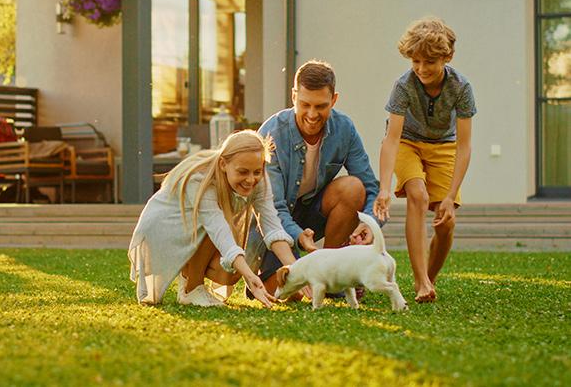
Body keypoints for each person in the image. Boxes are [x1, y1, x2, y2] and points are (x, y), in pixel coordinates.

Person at [246, 60, 380, 296]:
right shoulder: (272, 132)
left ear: (334, 100)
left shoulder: (344, 129)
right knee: (292, 293)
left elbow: (370, 187)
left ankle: (331, 275)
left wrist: (369, 223)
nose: (312, 114)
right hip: (273, 222)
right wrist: (298, 236)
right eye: (304, 104)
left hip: (313, 212)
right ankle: (271, 275)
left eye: (321, 106)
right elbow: (273, 208)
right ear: (293, 96)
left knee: (353, 188)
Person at [128, 130, 297, 307]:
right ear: (223, 164)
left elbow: (272, 227)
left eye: (257, 171)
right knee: (220, 235)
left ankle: (189, 279)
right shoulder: (201, 179)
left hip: (196, 229)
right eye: (243, 172)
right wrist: (250, 276)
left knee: (230, 273)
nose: (251, 179)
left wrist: (298, 272)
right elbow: (217, 229)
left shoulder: (258, 179)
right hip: (164, 229)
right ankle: (191, 289)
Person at [374, 17, 476, 303]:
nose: (421, 69)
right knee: (417, 195)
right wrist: (384, 188)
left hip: (444, 146)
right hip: (408, 143)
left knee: (445, 223)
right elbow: (391, 139)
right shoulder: (404, 86)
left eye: (429, 62)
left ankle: (428, 281)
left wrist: (451, 194)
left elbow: (465, 145)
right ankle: (420, 281)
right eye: (415, 61)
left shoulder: (461, 87)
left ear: (447, 57)